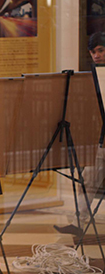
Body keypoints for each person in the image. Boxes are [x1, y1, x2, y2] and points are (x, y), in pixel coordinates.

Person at [55, 32, 105, 236]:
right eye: (93, 52)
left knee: (90, 179)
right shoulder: (95, 76)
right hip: (101, 140)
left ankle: (78, 222)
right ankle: (78, 223)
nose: (96, 55)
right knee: (89, 179)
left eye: (100, 50)